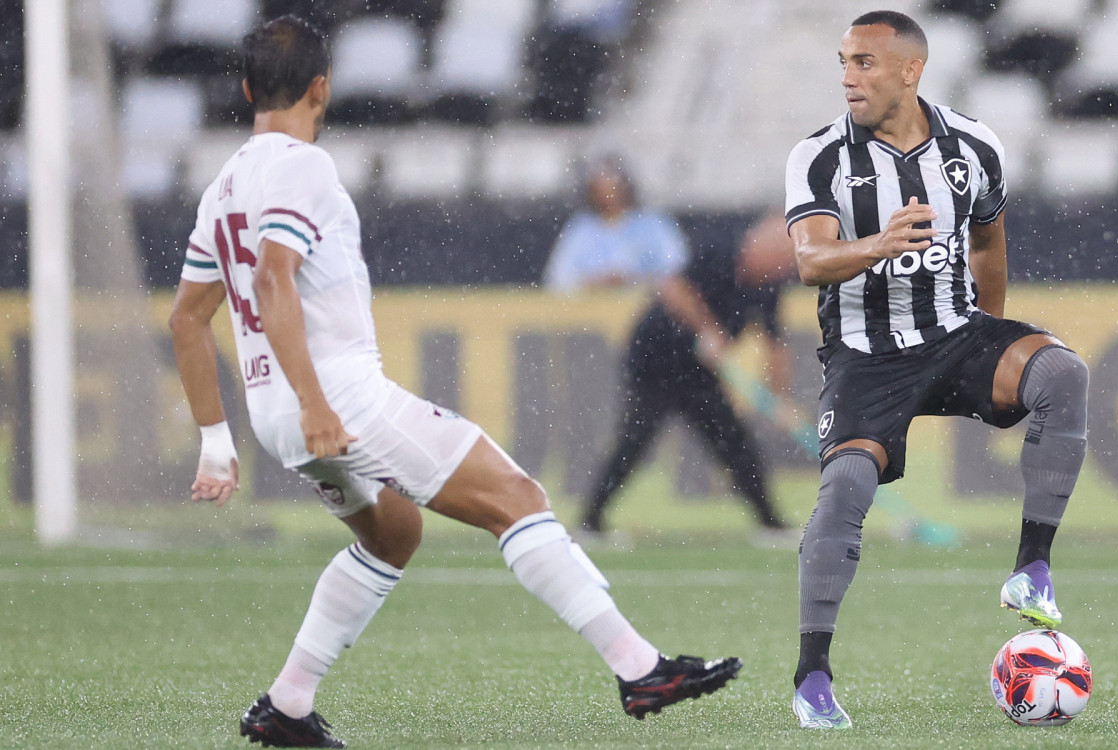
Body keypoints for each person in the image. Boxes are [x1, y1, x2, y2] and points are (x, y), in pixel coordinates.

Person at [168, 16, 741, 748]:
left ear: (246, 89)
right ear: (323, 87)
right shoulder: (302, 167)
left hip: (271, 407)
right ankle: (640, 669)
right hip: (334, 397)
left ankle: (286, 704)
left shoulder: (220, 188)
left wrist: (217, 439)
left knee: (394, 533)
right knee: (517, 499)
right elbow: (275, 280)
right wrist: (316, 404)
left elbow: (189, 319)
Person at [783, 10, 1089, 729]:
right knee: (847, 484)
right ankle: (812, 677)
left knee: (1063, 374)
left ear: (910, 71)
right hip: (866, 355)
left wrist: (992, 339)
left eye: (864, 63)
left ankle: (1031, 569)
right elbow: (809, 260)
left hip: (956, 335)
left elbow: (988, 243)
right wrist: (877, 245)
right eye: (844, 61)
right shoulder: (822, 156)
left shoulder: (973, 144)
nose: (848, 77)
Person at [578, 211, 795, 537]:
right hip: (655, 361)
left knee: (735, 443)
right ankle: (589, 522)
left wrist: (779, 399)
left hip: (698, 374)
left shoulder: (769, 285)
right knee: (634, 441)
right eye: (784, 256)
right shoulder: (720, 252)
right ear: (760, 243)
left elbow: (774, 344)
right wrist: (707, 329)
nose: (786, 266)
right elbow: (672, 287)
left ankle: (770, 524)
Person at [542, 154, 690, 294]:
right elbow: (557, 279)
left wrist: (632, 280)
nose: (609, 193)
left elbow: (677, 269)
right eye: (601, 184)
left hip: (646, 308)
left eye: (613, 183)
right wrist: (595, 283)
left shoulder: (654, 222)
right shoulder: (582, 228)